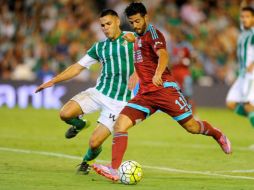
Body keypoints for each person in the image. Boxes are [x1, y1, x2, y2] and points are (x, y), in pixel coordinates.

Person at [92, 2, 232, 181]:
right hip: (145, 95)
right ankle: (114, 169)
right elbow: (140, 45)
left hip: (165, 91)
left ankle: (217, 134)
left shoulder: (154, 34)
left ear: (146, 17)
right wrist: (133, 39)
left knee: (192, 127)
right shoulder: (137, 36)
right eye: (132, 22)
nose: (135, 25)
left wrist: (158, 73)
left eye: (137, 21)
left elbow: (163, 55)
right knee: (120, 124)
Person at [35, 9, 138, 174]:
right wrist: (53, 81)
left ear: (118, 21)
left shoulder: (133, 39)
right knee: (65, 114)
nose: (105, 28)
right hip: (98, 93)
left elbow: (151, 54)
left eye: (108, 24)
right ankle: (80, 124)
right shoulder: (99, 47)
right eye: (102, 25)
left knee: (94, 143)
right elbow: (77, 67)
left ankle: (86, 161)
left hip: (119, 103)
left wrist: (138, 71)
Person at [226, 6, 254, 128]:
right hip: (242, 74)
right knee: (231, 103)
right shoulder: (243, 32)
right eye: (242, 17)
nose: (244, 19)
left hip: (251, 74)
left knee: (248, 104)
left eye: (247, 17)